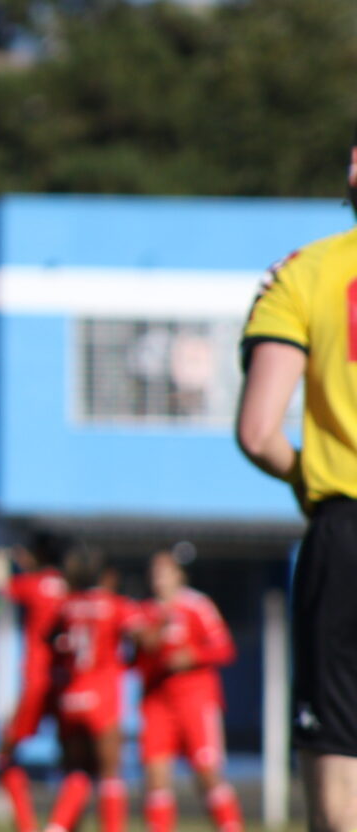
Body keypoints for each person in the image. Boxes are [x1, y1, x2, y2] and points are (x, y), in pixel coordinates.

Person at [237, 134, 357, 832]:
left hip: (345, 531)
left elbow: (258, 432)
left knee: (339, 769)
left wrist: (316, 482)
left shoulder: (306, 273)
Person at [134, 550, 242, 832]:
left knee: (206, 773)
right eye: (154, 572)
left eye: (165, 571)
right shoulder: (145, 612)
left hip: (195, 699)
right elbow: (134, 659)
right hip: (157, 702)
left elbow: (224, 648)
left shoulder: (197, 605)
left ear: (179, 575)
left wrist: (191, 656)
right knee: (156, 777)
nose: (158, 578)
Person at [44, 545, 137, 832]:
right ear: (107, 576)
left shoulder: (67, 606)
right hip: (102, 697)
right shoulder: (115, 605)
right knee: (110, 774)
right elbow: (145, 636)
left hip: (71, 698)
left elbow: (50, 641)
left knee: (76, 772)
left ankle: (56, 826)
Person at [0, 532, 71, 832]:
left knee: (4, 755)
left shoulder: (34, 584)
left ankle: (27, 827)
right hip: (69, 683)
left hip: (37, 681)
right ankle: (61, 824)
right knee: (77, 763)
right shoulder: (71, 587)